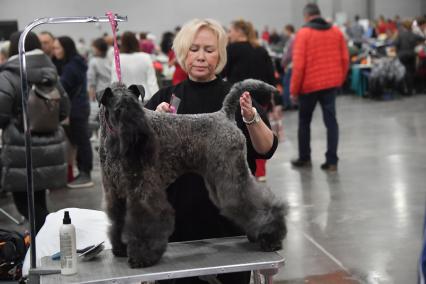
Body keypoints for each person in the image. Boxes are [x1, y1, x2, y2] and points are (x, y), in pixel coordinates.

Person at [145, 18, 278, 284]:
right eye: (194, 49)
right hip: (177, 229)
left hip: (229, 228)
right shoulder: (165, 98)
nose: (201, 57)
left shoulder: (237, 97)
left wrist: (251, 117)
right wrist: (154, 124)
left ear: (220, 54)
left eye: (209, 49)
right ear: (183, 52)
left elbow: (266, 148)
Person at [0, 31, 69, 233]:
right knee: (38, 201)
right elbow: (64, 109)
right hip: (49, 147)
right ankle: (44, 246)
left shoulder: (8, 75)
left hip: (21, 150)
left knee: (25, 205)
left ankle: (52, 239)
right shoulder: (51, 73)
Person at [290, 3, 349, 172]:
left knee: (304, 122)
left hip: (308, 87)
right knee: (331, 122)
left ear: (307, 16)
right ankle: (332, 161)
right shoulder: (336, 31)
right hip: (330, 85)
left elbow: (299, 66)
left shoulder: (303, 33)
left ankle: (305, 158)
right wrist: (339, 79)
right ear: (319, 14)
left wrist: (294, 90)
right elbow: (345, 59)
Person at [222, 18, 276, 182]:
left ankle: (247, 170)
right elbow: (271, 75)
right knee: (260, 132)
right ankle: (261, 172)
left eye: (230, 31)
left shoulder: (231, 49)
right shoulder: (260, 49)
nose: (229, 34)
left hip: (241, 99)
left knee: (242, 135)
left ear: (239, 31)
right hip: (261, 97)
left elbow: (222, 72)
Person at [53, 36, 94, 188]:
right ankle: (83, 171)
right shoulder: (73, 63)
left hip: (76, 109)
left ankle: (85, 174)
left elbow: (62, 86)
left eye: (57, 48)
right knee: (78, 141)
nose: (55, 51)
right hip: (78, 107)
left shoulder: (72, 66)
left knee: (82, 141)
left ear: (66, 48)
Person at [111, 31, 159, 100]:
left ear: (122, 43)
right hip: (145, 97)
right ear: (136, 42)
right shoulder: (146, 57)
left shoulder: (117, 60)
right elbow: (152, 82)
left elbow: (115, 82)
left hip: (126, 99)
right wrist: (157, 99)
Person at [394, 20, 425, 95]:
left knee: (401, 72)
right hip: (411, 55)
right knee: (411, 72)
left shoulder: (400, 35)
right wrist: (417, 44)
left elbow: (396, 44)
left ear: (404, 26)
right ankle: (410, 90)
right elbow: (423, 39)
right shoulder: (413, 34)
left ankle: (402, 90)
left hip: (402, 55)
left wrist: (397, 53)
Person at [281, 24, 296, 110]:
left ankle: (288, 103)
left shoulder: (292, 40)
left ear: (289, 30)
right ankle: (291, 103)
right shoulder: (292, 39)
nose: (284, 32)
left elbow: (289, 54)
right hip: (291, 65)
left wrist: (283, 62)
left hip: (290, 65)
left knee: (287, 84)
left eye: (285, 30)